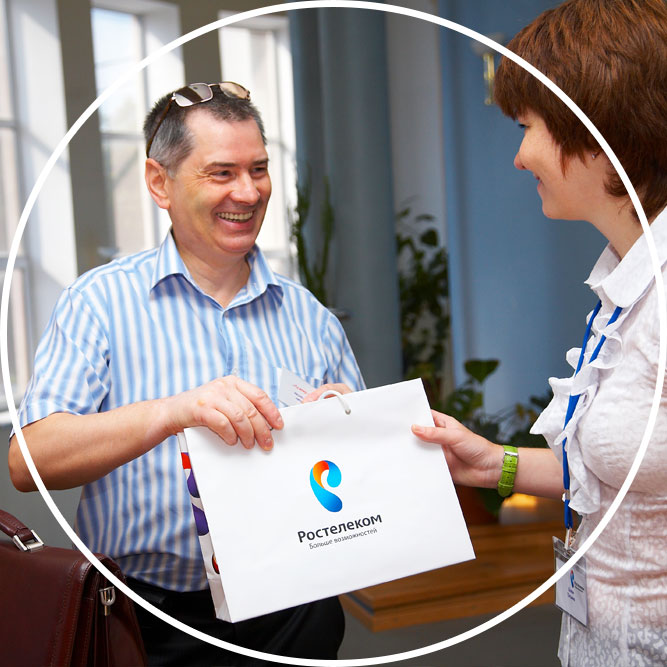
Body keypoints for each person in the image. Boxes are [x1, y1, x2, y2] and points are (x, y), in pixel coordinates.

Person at [8, 82, 364, 665]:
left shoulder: (312, 318)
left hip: (294, 609)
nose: (248, 192)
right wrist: (173, 412)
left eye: (258, 169)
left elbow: (366, 478)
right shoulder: (98, 304)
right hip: (141, 619)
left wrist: (348, 424)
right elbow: (29, 463)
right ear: (159, 182)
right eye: (222, 172)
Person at [412, 0, 667, 665]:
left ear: (601, 132)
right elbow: (626, 469)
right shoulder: (626, 276)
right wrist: (492, 463)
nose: (520, 157)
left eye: (528, 127)